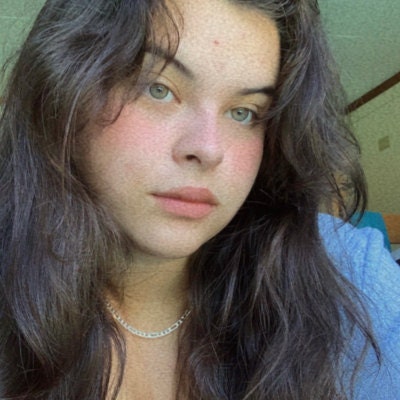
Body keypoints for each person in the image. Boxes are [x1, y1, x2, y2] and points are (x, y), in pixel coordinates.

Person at [0, 0, 399, 399]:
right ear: (63, 92)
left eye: (244, 112)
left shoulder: (350, 278)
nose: (209, 149)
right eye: (158, 89)